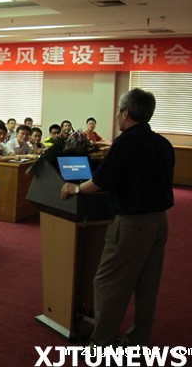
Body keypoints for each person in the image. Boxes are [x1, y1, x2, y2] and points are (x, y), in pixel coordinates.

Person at [60, 88, 174, 348]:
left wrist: (75, 188)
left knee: (108, 283)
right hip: (159, 222)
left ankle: (100, 343)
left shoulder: (125, 142)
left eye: (118, 111)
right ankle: (137, 341)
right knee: (147, 285)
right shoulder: (163, 143)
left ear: (126, 113)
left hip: (132, 224)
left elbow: (99, 181)